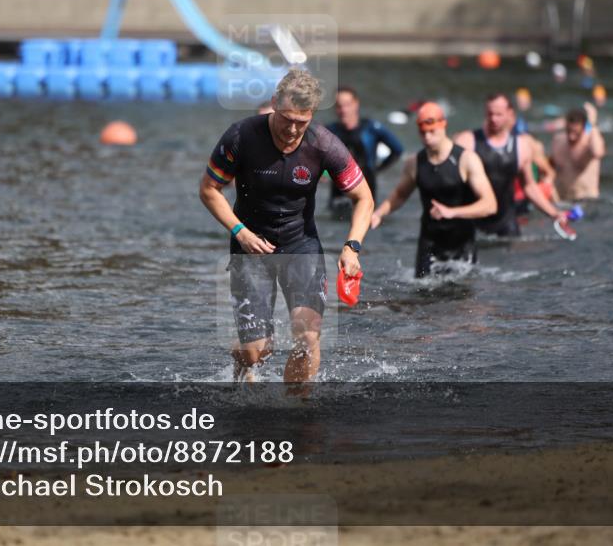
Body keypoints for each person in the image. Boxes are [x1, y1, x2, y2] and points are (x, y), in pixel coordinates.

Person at [199, 69, 373, 383]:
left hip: (300, 245)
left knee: (308, 338)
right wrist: (241, 232)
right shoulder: (241, 136)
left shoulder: (324, 144)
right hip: (250, 247)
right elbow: (209, 190)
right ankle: (243, 361)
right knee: (257, 352)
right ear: (274, 104)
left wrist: (352, 246)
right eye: (286, 119)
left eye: (301, 122)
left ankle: (297, 414)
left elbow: (364, 198)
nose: (292, 130)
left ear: (312, 116)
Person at [371, 102, 496, 277]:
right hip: (429, 243)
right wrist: (379, 213)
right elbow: (400, 195)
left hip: (461, 243)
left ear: (443, 124)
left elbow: (490, 204)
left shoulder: (466, 159)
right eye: (423, 133)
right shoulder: (415, 163)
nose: (427, 138)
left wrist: (452, 212)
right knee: (422, 294)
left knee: (462, 298)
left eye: (432, 131)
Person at [454, 94, 569, 237]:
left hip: (506, 221)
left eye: (498, 114)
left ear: (510, 114)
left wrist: (554, 213)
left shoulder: (521, 147)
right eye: (490, 114)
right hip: (472, 222)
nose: (493, 119)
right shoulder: (467, 141)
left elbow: (529, 187)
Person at [326, 86, 404, 214]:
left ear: (356, 104)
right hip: (338, 199)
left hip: (366, 196)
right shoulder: (330, 131)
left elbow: (398, 150)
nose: (343, 110)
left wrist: (377, 170)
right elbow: (317, 159)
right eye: (339, 106)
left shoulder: (371, 128)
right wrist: (324, 174)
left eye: (347, 105)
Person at [551, 102, 606, 200]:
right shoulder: (558, 140)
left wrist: (592, 124)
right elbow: (553, 168)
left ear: (584, 127)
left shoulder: (589, 142)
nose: (571, 136)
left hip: (586, 199)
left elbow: (598, 152)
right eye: (569, 131)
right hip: (563, 201)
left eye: (575, 132)